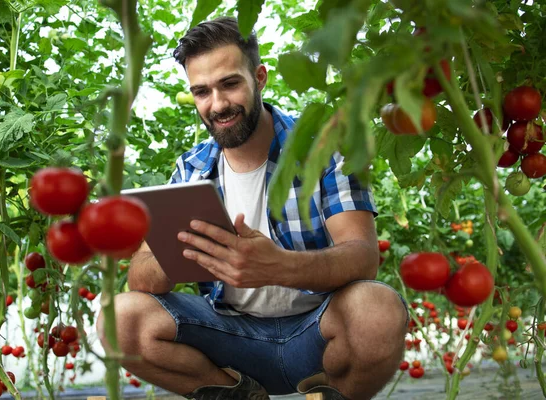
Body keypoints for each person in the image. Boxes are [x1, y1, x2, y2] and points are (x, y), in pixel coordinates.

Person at [97, 16, 409, 400]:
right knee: (120, 317)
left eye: (230, 84)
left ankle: (333, 393)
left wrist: (279, 266)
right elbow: (142, 280)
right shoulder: (191, 169)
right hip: (230, 338)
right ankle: (240, 394)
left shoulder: (326, 148)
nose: (218, 104)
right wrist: (178, 250)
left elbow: (363, 257)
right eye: (202, 91)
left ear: (259, 77)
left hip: (319, 332)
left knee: (377, 309)